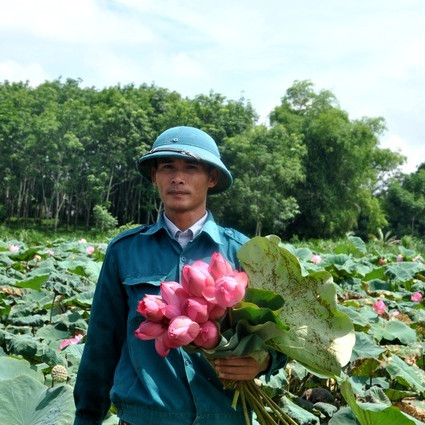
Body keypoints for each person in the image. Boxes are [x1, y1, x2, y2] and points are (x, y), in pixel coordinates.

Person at [73, 126, 285, 425]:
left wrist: (263, 362)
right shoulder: (124, 251)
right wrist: (87, 418)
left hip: (224, 416)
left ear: (212, 178)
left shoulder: (244, 252)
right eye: (168, 167)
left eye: (191, 168)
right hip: (144, 417)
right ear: (154, 177)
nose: (178, 178)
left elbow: (282, 335)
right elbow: (101, 346)